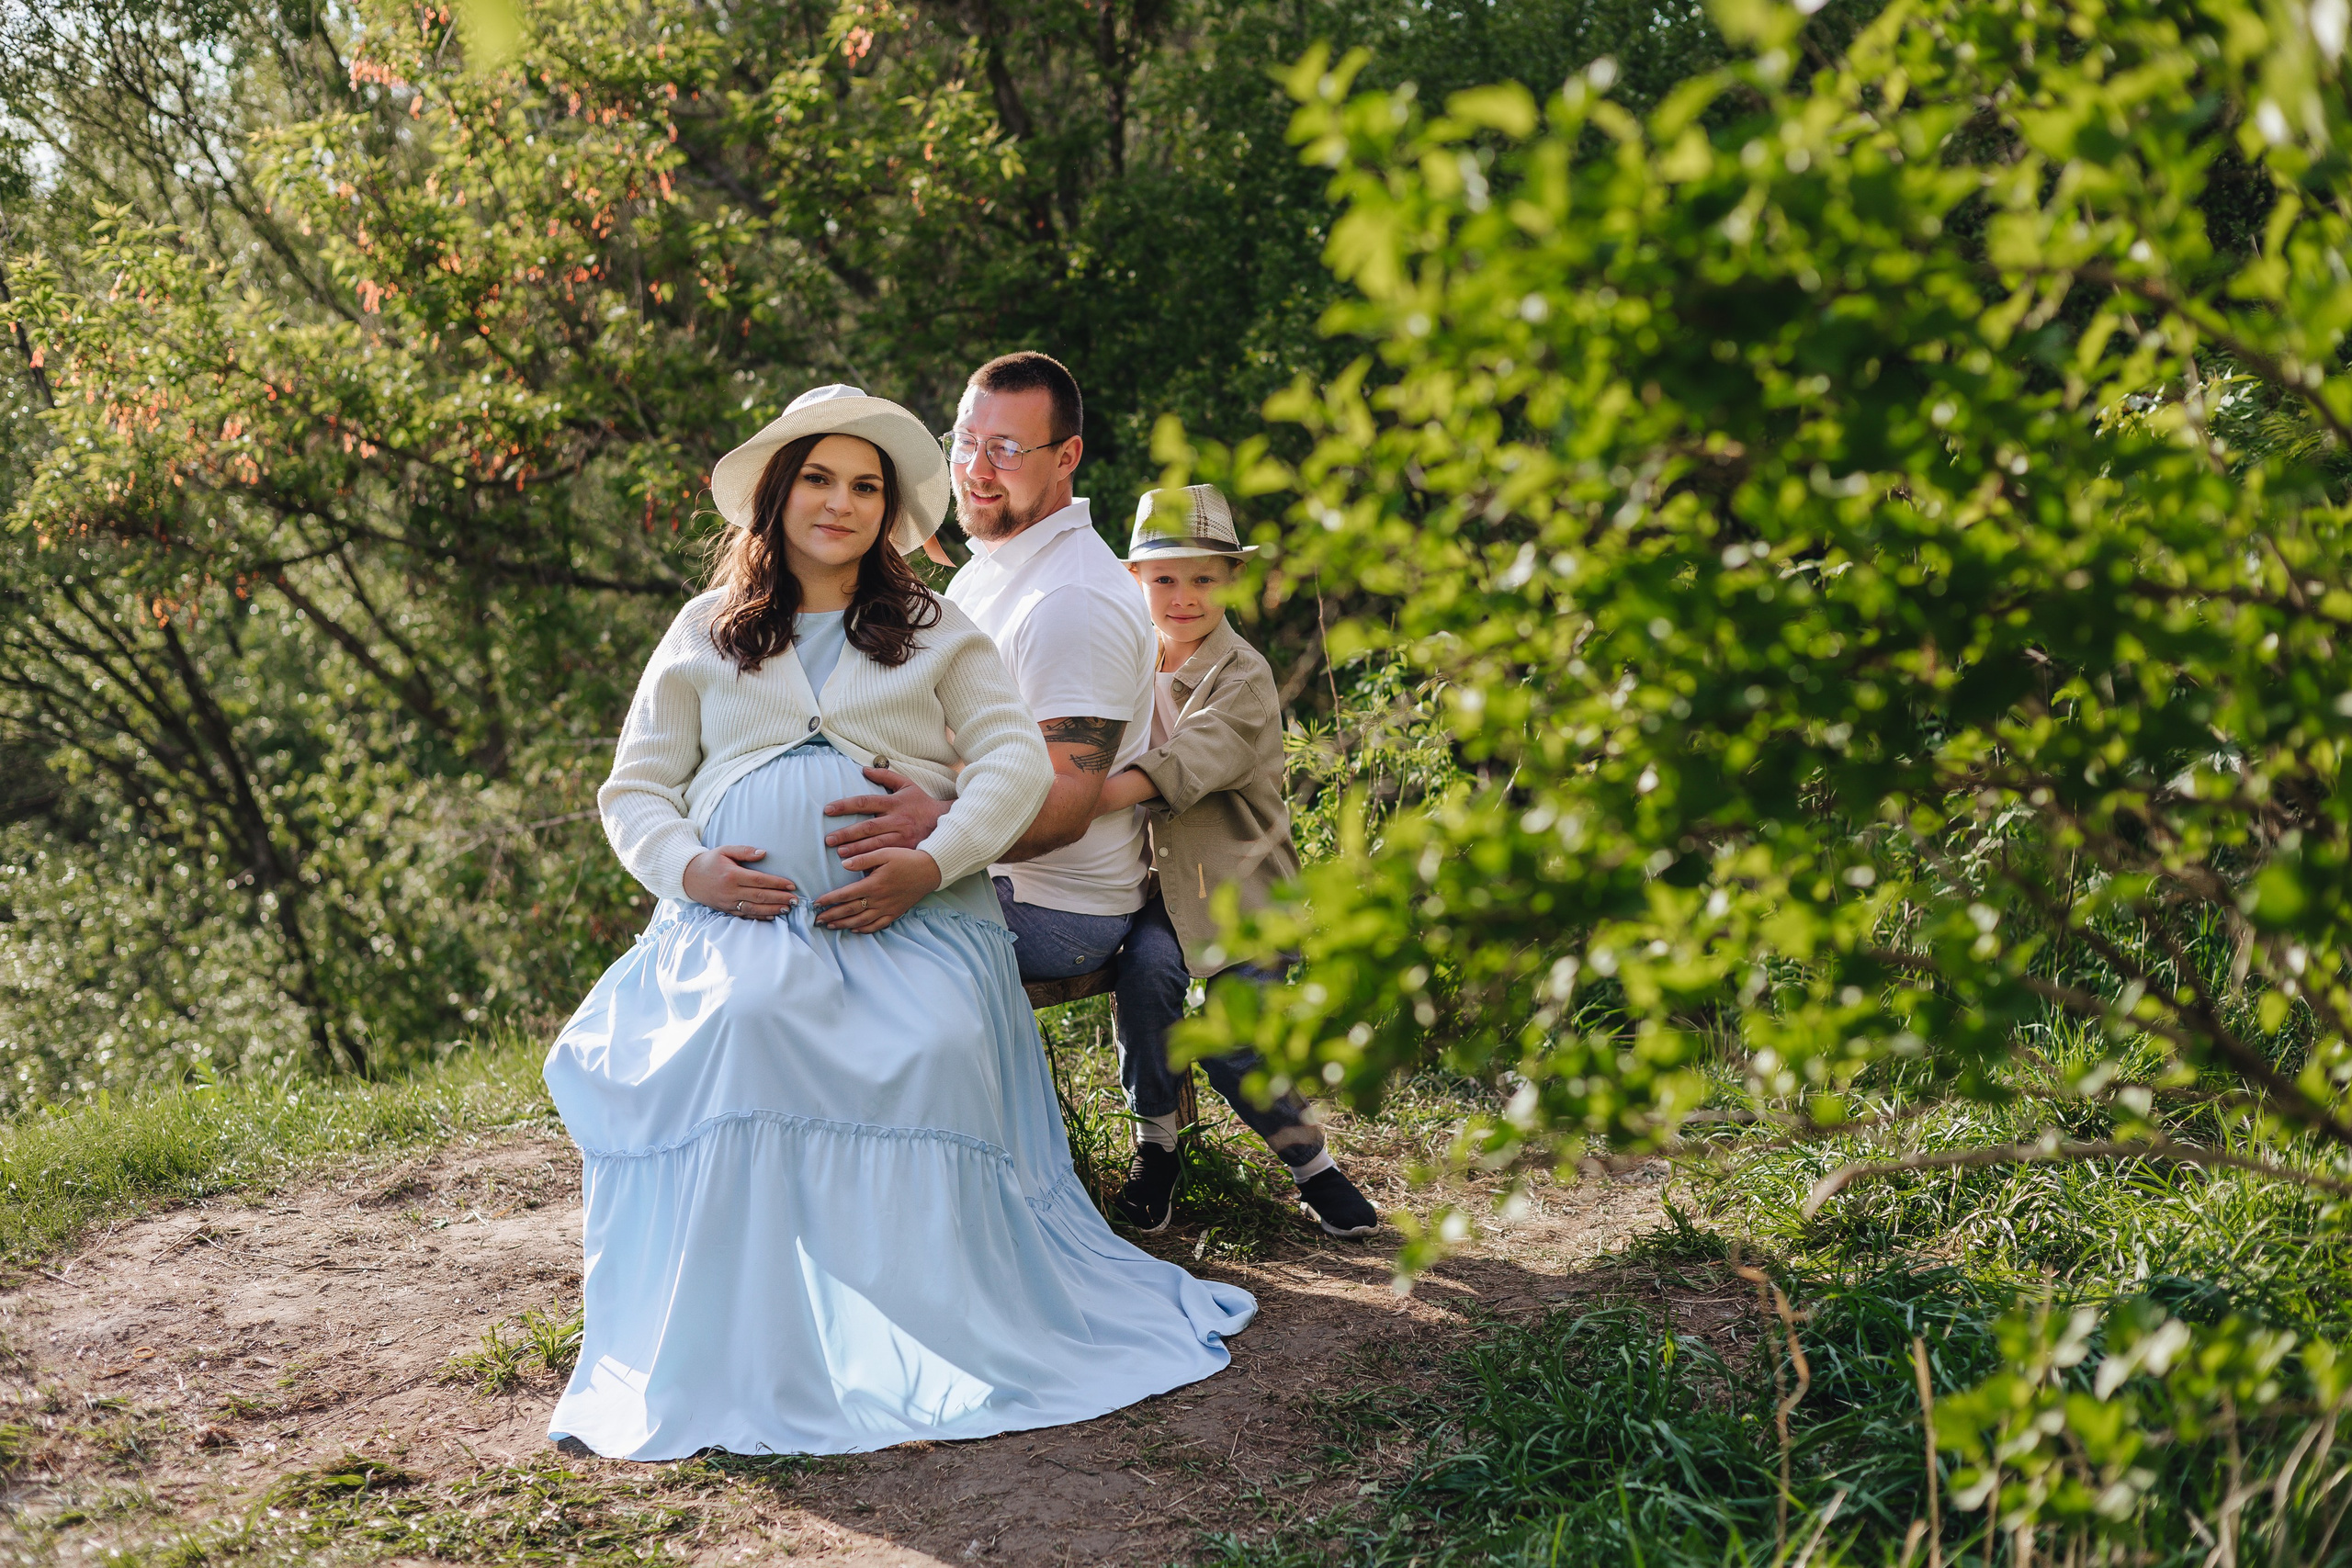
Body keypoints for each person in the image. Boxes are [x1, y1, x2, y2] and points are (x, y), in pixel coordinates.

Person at [542, 383, 1254, 1461]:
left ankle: (930, 1324)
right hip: (741, 927)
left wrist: (930, 862)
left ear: (889, 511)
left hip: (914, 925)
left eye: (866, 486)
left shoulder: (929, 627)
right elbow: (633, 789)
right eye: (819, 479)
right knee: (739, 1029)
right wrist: (692, 871)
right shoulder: (704, 634)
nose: (841, 502)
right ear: (777, 496)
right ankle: (753, 1341)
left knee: (928, 1042)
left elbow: (1016, 761)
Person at [1090, 484, 1380, 1238]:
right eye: (1164, 579)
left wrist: (1070, 800)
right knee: (1146, 978)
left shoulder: (1242, 675)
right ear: (1134, 582)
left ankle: (1311, 1164)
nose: (1183, 597)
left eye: (1203, 578)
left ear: (1233, 580)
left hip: (1244, 890)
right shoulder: (1121, 659)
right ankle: (1156, 1147)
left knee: (1230, 1036)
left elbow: (1186, 764)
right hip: (1163, 891)